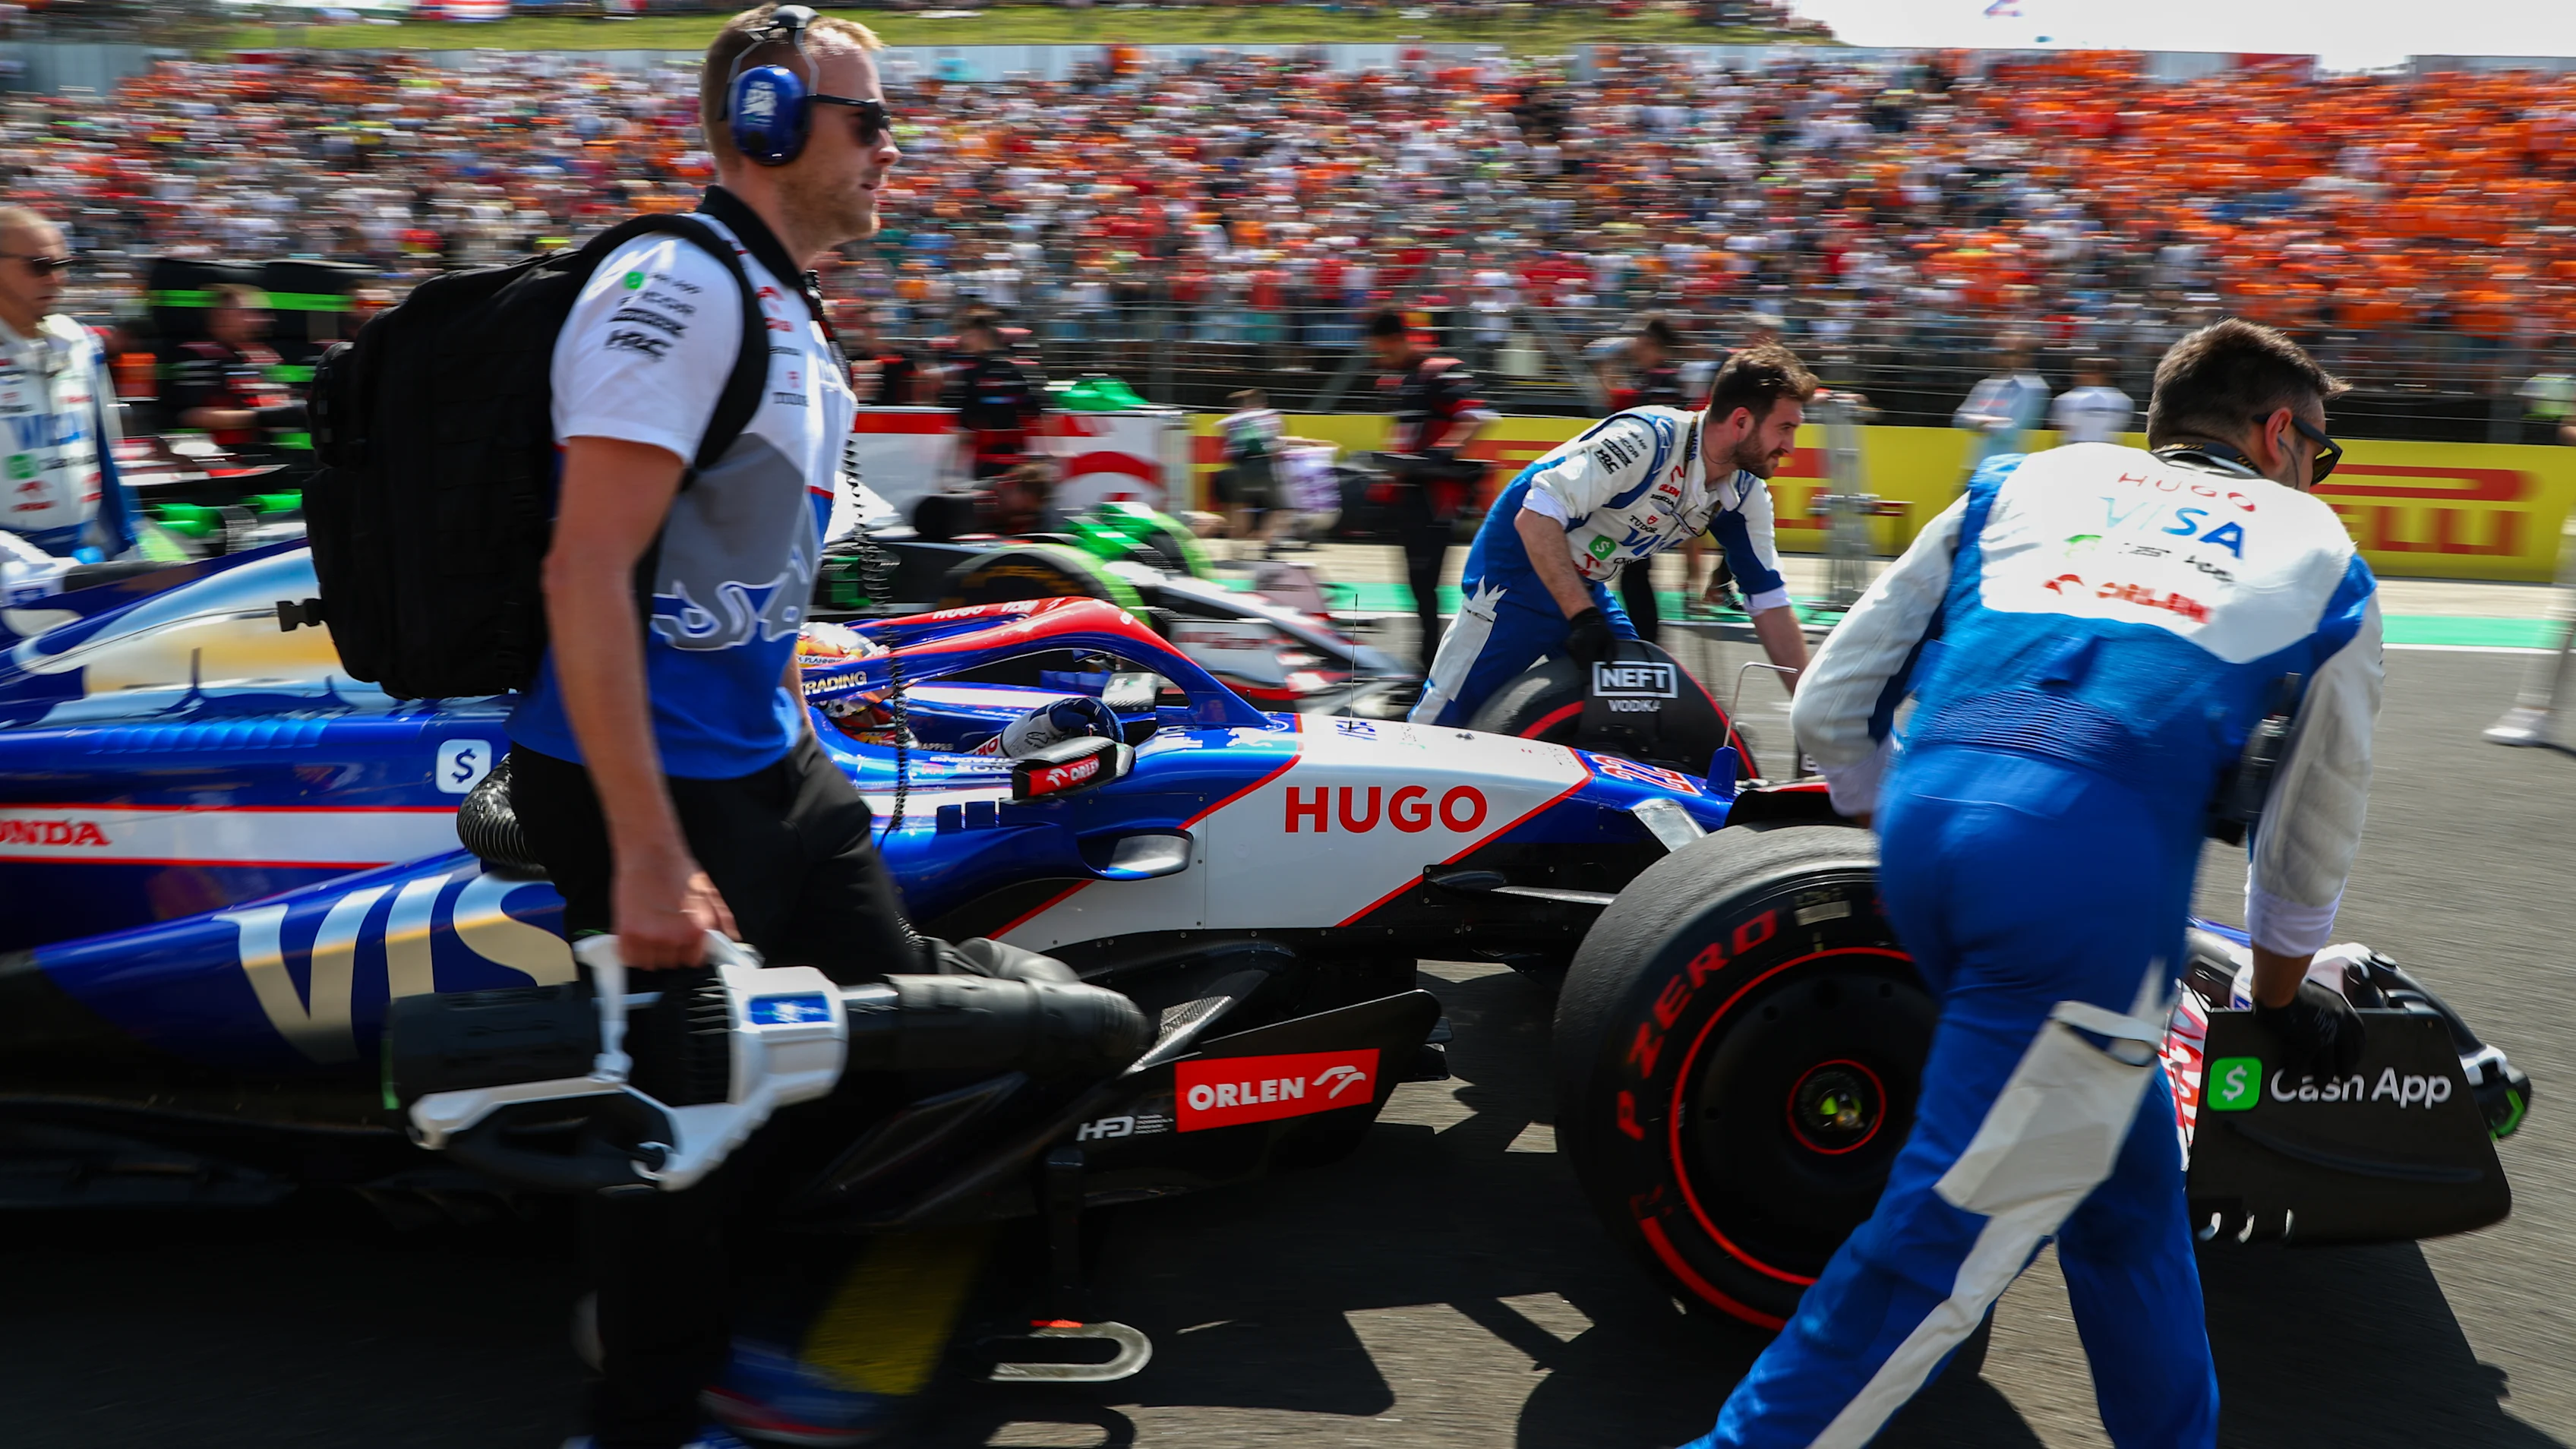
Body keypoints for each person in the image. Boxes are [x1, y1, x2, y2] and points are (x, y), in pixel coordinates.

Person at [1699, 318, 2380, 1449]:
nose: (2320, 473)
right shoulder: (2319, 549)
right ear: (2278, 435)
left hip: (1929, 843)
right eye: (2322, 449)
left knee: (2128, 1206)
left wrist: (1929, 816)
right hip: (2079, 900)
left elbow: (1828, 705)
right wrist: (2274, 994)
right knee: (1936, 1256)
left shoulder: (2026, 479)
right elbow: (2313, 828)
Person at [498, 8, 908, 1447]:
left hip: (762, 756)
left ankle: (691, 1299)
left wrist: (798, 685)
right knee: (690, 1095)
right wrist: (648, 851)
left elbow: (729, 560)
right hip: (644, 784)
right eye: (870, 120)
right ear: (775, 119)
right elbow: (584, 569)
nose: (889, 150)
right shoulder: (674, 287)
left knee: (887, 1027)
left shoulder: (789, 303)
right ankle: (650, 1397)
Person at [1410, 343, 1816, 730]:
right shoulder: (1646, 440)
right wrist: (1582, 617)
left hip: (1582, 587)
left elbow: (1769, 602)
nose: (1790, 446)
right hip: (1512, 580)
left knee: (1643, 711)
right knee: (1443, 722)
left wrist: (1813, 712)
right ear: (1742, 421)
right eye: (1784, 428)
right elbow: (1533, 518)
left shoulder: (1746, 493)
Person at [0, 205, 134, 562]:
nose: (56, 279)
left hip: (81, 558)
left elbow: (105, 456)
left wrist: (126, 543)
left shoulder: (80, 343)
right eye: (40, 266)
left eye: (63, 266)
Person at [1367, 308, 1494, 667]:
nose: (1382, 359)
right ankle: (1428, 662)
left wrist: (1439, 454)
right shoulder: (1398, 380)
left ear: (1399, 339)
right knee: (1418, 587)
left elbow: (1479, 416)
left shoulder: (1441, 370)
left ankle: (1437, 663)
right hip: (1409, 493)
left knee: (1428, 584)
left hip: (1436, 496)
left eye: (1385, 351)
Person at [166, 283, 303, 461]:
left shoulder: (266, 357)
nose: (263, 319)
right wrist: (264, 417)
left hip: (273, 456)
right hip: (219, 460)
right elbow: (191, 416)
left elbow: (283, 403)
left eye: (262, 313)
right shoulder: (198, 355)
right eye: (250, 311)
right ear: (220, 315)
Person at [1617, 314, 1690, 641]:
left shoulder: (1663, 381)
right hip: (1652, 487)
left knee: (1636, 569)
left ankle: (1646, 642)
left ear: (1656, 348)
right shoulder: (1651, 378)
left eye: (1642, 342)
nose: (1637, 347)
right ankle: (1644, 639)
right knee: (1634, 569)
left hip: (1654, 489)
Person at [942, 306, 1043, 478]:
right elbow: (1037, 416)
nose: (964, 341)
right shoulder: (1020, 369)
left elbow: (964, 431)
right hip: (1018, 467)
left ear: (981, 335)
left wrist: (949, 473)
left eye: (968, 335)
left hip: (986, 466)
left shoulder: (971, 374)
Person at [1951, 338, 2049, 479]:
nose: (2003, 357)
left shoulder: (2033, 388)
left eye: (2011, 353)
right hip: (1976, 467)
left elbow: (2013, 430)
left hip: (2007, 470)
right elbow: (1959, 419)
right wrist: (1993, 422)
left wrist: (1979, 421)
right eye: (2000, 352)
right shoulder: (1986, 384)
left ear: (2027, 357)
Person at [1216, 386, 1283, 546]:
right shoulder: (1270, 417)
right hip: (1261, 468)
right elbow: (1274, 449)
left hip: (1237, 470)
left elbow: (1226, 447)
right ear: (1263, 403)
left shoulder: (1232, 421)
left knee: (1239, 509)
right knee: (1280, 509)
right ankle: (1265, 544)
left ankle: (1237, 551)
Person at [2051, 355, 2134, 445]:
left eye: (2086, 372)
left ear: (2100, 375)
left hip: (2079, 449)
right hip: (2106, 449)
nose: (2078, 375)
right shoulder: (2124, 401)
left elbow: (2059, 426)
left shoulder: (2066, 399)